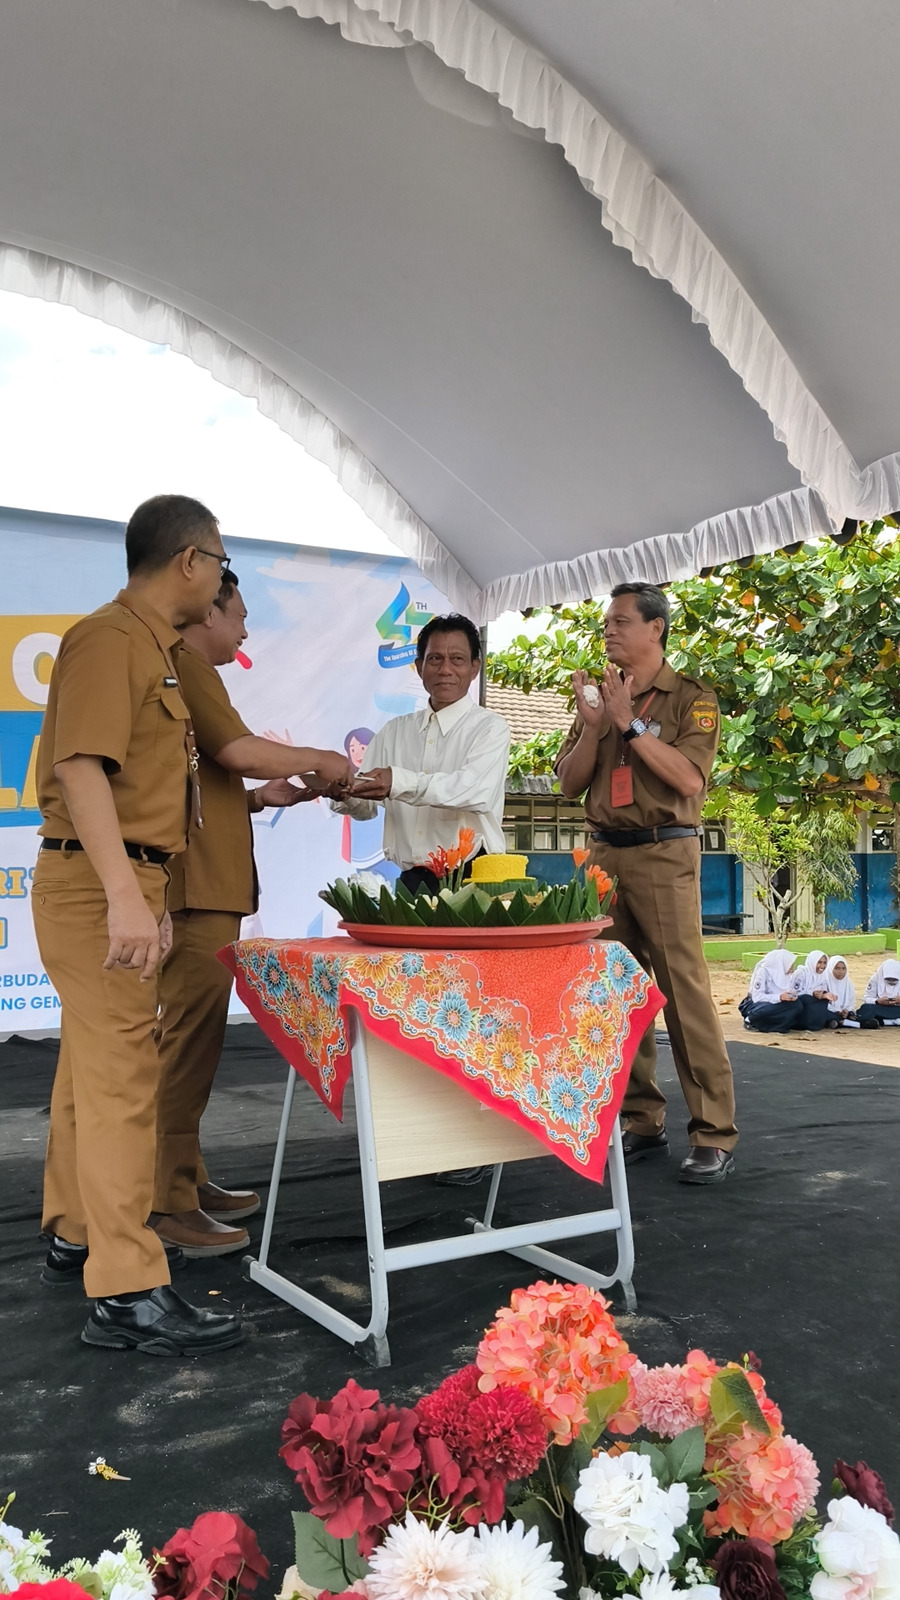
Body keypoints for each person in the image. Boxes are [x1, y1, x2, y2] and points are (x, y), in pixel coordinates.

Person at [34, 494, 351, 1354]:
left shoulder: (153, 650)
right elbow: (80, 768)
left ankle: (78, 1233)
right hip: (99, 884)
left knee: (102, 1079)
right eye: (217, 561)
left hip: (124, 879)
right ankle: (129, 1291)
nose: (220, 579)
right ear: (188, 561)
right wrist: (126, 894)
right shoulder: (109, 639)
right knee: (121, 1089)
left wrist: (145, 887)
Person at [152, 571, 328, 1259]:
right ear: (207, 609)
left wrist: (258, 799)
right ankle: (165, 1200)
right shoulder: (187, 665)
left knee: (195, 1048)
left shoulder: (190, 670)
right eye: (241, 615)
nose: (247, 630)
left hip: (211, 886)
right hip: (194, 891)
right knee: (185, 1051)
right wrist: (319, 760)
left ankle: (185, 1177)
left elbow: (202, 777)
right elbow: (234, 750)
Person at [556, 581, 738, 1184]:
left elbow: (688, 779)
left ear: (656, 628)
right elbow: (567, 784)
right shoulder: (597, 694)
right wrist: (592, 726)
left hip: (664, 853)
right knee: (617, 992)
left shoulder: (691, 698)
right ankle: (640, 1119)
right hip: (604, 857)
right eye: (606, 622)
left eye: (620, 621)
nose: (608, 630)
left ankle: (712, 1132)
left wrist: (629, 724)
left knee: (682, 993)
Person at [333, 614, 510, 895]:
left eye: (458, 659)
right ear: (419, 667)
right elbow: (365, 807)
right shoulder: (393, 732)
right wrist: (342, 790)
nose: (445, 669)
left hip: (473, 880)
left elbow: (474, 791)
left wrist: (397, 782)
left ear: (476, 667)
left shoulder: (490, 728)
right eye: (435, 659)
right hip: (411, 882)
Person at [740, 950, 805, 1032]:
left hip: (776, 1004)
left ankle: (774, 1026)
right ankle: (750, 1019)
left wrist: (791, 996)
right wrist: (779, 997)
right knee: (771, 1008)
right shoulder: (763, 972)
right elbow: (757, 997)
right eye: (790, 964)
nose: (792, 967)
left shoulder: (787, 975)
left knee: (797, 1005)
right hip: (756, 1004)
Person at [789, 949, 834, 1031]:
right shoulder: (800, 973)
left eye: (824, 963)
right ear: (813, 962)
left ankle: (819, 1023)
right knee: (806, 998)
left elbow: (821, 991)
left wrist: (825, 995)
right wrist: (812, 993)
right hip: (799, 1003)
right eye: (819, 962)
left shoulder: (823, 976)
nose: (822, 966)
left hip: (814, 1004)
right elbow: (793, 993)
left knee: (824, 1000)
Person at [857, 958, 900, 1026]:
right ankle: (894, 1021)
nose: (891, 981)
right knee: (866, 1008)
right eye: (888, 979)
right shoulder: (875, 979)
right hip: (880, 1008)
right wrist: (877, 1001)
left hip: (897, 1008)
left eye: (894, 979)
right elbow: (867, 998)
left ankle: (884, 1022)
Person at [824, 956, 857, 1026]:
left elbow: (852, 1001)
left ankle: (839, 1021)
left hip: (844, 1012)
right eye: (837, 968)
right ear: (831, 968)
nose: (841, 972)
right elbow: (824, 1002)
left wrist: (847, 1011)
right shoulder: (825, 981)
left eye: (843, 968)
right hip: (831, 1011)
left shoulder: (848, 983)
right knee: (821, 1012)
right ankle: (841, 1021)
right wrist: (837, 1011)